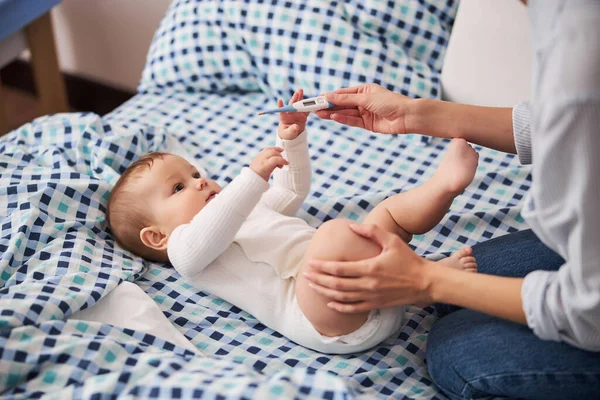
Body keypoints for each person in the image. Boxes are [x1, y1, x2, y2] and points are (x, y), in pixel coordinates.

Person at [306, 0, 600, 397]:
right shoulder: (564, 21)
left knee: (457, 353)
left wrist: (426, 279)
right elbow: (566, 122)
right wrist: (416, 114)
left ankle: (442, 195)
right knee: (475, 274)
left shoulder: (580, 47)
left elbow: (587, 310)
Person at [106, 88, 480, 354]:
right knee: (337, 232)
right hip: (324, 317)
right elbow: (208, 234)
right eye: (178, 187)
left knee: (387, 212)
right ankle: (421, 281)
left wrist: (292, 140)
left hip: (377, 288)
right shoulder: (186, 248)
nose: (200, 180)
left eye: (193, 173)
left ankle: (442, 191)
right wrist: (251, 178)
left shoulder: (248, 210)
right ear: (157, 236)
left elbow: (291, 190)